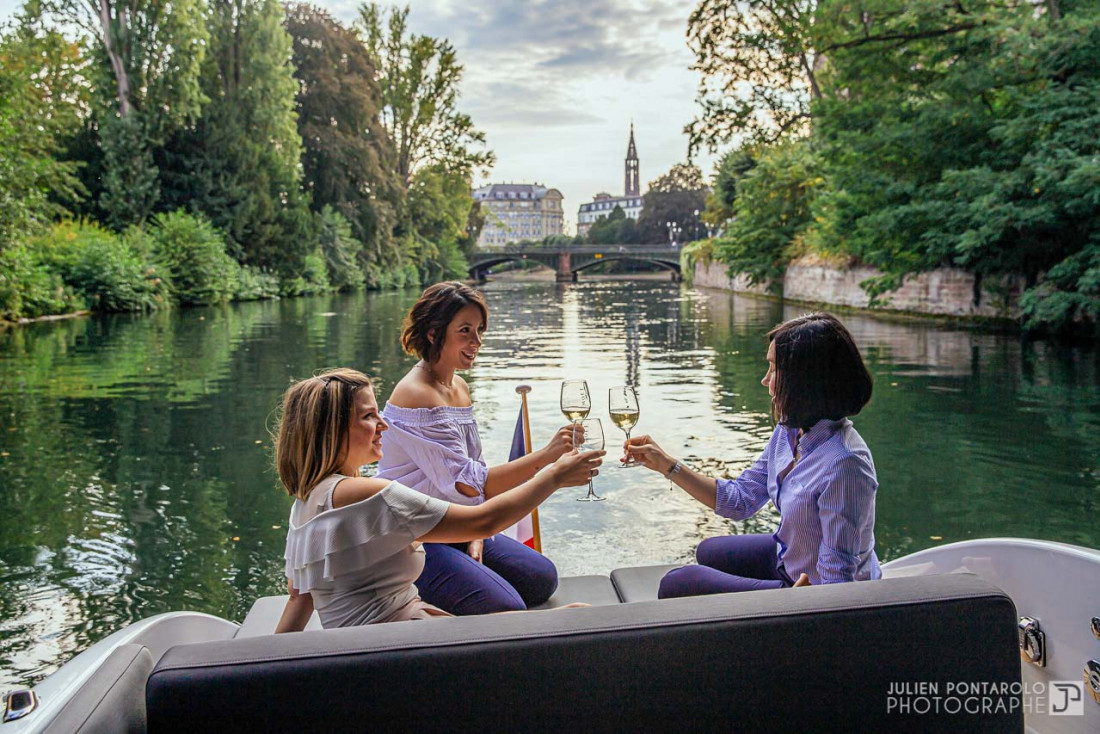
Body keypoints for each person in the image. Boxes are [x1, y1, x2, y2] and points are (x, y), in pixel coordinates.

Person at [273, 368, 602, 632]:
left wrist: (269, 669)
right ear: (331, 430)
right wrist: (554, 476)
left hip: (370, 648)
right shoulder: (368, 494)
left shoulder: (307, 501)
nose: (383, 424)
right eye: (368, 416)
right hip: (402, 648)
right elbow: (483, 521)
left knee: (551, 612)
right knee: (576, 621)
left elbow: (299, 600)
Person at [624, 312, 879, 597]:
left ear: (804, 381)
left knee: (678, 583)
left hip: (807, 585)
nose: (764, 380)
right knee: (708, 550)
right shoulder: (791, 430)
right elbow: (740, 500)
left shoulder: (845, 465)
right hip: (790, 556)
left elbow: (838, 578)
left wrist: (800, 607)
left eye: (773, 369)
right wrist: (667, 465)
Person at [376, 282, 576, 614]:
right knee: (504, 607)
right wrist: (547, 457)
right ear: (434, 333)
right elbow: (470, 484)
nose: (477, 341)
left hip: (454, 521)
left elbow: (474, 469)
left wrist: (477, 532)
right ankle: (411, 591)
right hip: (415, 535)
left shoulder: (458, 387)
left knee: (541, 578)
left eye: (479, 330)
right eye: (465, 330)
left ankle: (459, 575)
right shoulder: (417, 394)